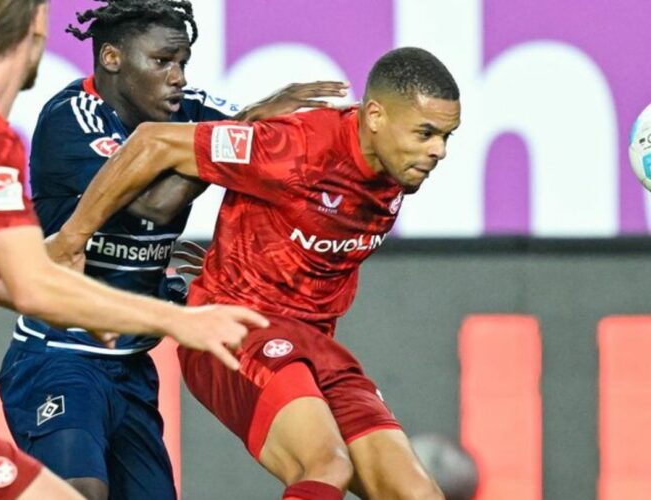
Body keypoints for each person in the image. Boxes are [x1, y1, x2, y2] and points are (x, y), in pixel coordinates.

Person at [0, 1, 268, 498]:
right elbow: (34, 287)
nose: (175, 77)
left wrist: (88, 283)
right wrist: (179, 320)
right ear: (35, 26)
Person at [48, 46, 462, 500]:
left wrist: (231, 255)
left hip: (315, 342)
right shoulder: (296, 147)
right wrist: (70, 239)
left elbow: (298, 233)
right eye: (425, 133)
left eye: (446, 136)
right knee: (325, 465)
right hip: (236, 330)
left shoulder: (396, 167)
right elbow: (152, 142)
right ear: (377, 116)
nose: (438, 151)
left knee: (419, 495)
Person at [0, 1, 349, 498]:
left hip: (133, 365)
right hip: (58, 355)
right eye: (162, 62)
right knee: (80, 494)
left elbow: (262, 143)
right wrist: (241, 128)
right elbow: (149, 205)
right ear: (113, 58)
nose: (178, 77)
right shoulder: (70, 117)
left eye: (182, 62)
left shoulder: (190, 108)